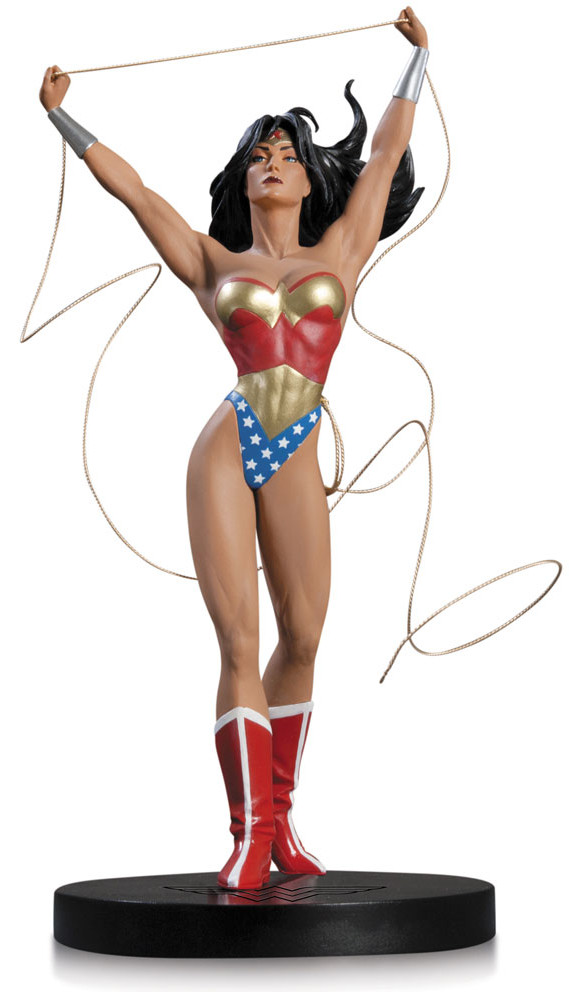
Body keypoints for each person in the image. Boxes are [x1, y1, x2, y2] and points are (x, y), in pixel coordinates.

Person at [40, 7, 430, 890]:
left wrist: (418, 61)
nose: (273, 161)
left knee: (305, 637)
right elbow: (138, 194)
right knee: (238, 642)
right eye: (259, 155)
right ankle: (248, 834)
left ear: (309, 177)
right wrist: (63, 116)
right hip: (228, 442)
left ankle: (281, 822)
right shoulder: (214, 262)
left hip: (295, 445)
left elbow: (382, 158)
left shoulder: (343, 248)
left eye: (287, 153)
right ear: (243, 181)